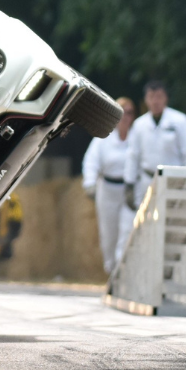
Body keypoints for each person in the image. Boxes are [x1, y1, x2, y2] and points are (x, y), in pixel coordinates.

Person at [81, 96, 137, 275]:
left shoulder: (138, 137)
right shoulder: (104, 138)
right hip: (108, 190)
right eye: (122, 113)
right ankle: (111, 268)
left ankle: (123, 273)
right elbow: (91, 161)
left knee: (128, 231)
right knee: (109, 234)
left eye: (129, 113)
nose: (126, 117)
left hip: (130, 191)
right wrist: (90, 183)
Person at [126, 81, 186, 206]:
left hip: (175, 181)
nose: (155, 101)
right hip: (147, 180)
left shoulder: (180, 121)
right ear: (145, 100)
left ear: (166, 98)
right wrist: (129, 183)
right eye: (151, 97)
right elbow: (133, 155)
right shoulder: (139, 125)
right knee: (147, 221)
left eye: (159, 97)